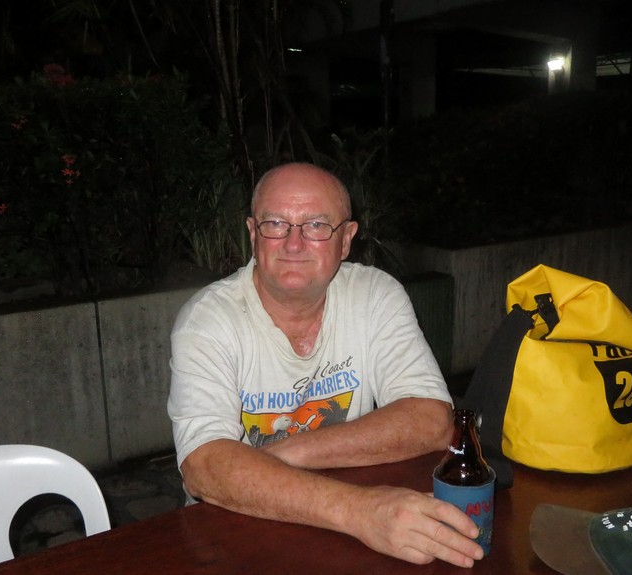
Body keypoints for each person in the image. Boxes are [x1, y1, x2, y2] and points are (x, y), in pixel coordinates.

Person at [167, 162, 484, 567]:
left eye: (316, 225)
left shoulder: (375, 295)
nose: (293, 244)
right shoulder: (208, 320)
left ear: (346, 239)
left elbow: (432, 419)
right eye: (275, 224)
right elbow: (204, 467)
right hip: (234, 525)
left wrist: (280, 456)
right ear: (253, 234)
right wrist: (360, 511)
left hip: (339, 511)